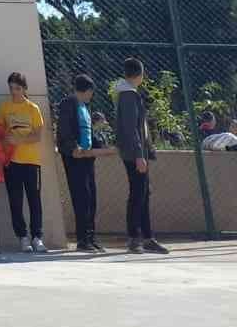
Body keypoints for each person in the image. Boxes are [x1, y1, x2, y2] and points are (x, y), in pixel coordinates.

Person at [114, 57, 169, 254]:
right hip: (134, 154)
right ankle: (135, 238)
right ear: (140, 74)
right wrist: (139, 155)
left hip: (137, 153)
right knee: (138, 194)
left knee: (143, 193)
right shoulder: (128, 95)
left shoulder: (128, 93)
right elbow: (131, 128)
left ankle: (147, 237)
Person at [56, 74, 109, 252]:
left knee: (91, 197)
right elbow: (64, 130)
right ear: (87, 90)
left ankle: (90, 237)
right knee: (81, 198)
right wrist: (74, 147)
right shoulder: (68, 104)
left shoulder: (85, 106)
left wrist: (101, 147)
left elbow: (88, 132)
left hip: (87, 157)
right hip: (75, 158)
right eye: (91, 92)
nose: (91, 96)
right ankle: (82, 239)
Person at [0, 71, 46, 252]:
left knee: (35, 200)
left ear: (24, 89)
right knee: (15, 201)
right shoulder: (4, 108)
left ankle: (37, 237)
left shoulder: (33, 109)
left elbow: (37, 135)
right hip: (12, 162)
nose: (14, 91)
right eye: (11, 88)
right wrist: (3, 139)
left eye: (17, 88)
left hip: (32, 161)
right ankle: (22, 237)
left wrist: (19, 140)